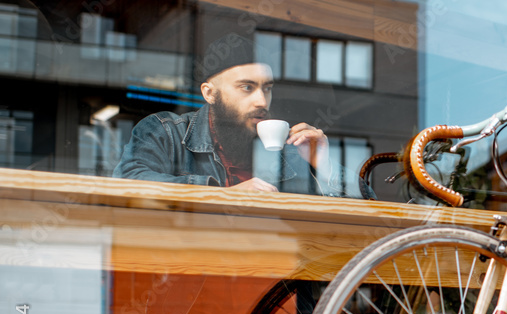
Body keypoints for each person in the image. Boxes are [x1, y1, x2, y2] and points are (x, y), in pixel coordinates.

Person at [114, 33, 339, 195]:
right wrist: (224, 194)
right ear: (210, 93)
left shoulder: (291, 149)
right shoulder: (166, 132)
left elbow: (367, 208)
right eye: (246, 87)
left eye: (267, 88)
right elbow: (126, 181)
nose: (262, 101)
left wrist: (325, 166)